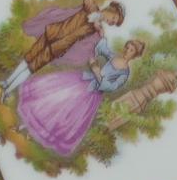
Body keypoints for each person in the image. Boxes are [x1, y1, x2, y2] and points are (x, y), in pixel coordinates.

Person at [16, 37, 145, 158]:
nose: (127, 51)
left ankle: (33, 136)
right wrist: (99, 37)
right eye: (127, 47)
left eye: (131, 50)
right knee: (57, 101)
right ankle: (25, 126)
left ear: (135, 55)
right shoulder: (114, 57)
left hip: (92, 94)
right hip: (83, 81)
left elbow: (109, 87)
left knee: (67, 115)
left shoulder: (124, 74)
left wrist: (96, 70)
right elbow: (102, 47)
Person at [0, 0, 124, 102]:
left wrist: (99, 33)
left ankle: (7, 90)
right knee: (29, 57)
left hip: (58, 47)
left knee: (32, 67)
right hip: (53, 32)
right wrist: (97, 18)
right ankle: (6, 83)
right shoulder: (92, 7)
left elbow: (91, 49)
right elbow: (87, 1)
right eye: (113, 18)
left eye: (113, 23)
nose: (111, 22)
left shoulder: (98, 31)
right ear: (111, 9)